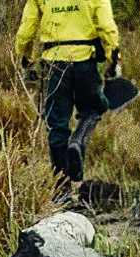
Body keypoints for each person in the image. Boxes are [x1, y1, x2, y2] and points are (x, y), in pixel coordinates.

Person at [14, 0, 121, 192]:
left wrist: (26, 57)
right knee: (93, 109)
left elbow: (27, 29)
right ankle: (78, 142)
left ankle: (62, 189)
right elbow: (107, 26)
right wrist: (113, 57)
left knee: (57, 124)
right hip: (85, 61)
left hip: (54, 62)